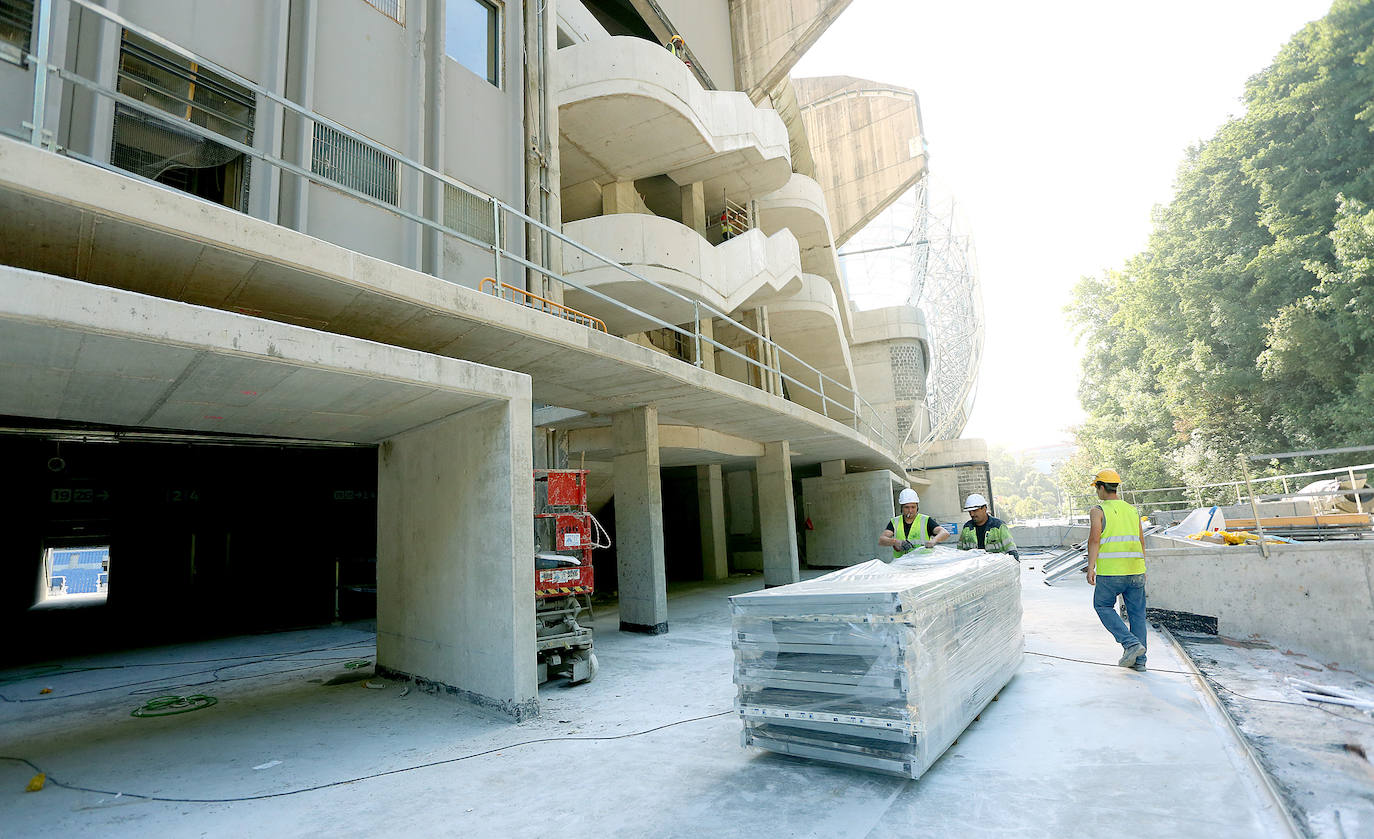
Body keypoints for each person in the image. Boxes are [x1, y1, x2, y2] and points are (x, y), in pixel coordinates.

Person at [1086, 468, 1148, 672]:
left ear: (1102, 487)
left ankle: (1130, 644)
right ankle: (1140, 662)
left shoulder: (1098, 510)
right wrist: (1143, 566)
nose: (1097, 492)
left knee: (1102, 606)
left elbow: (1095, 539)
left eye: (1097, 488)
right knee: (1137, 615)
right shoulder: (1132, 510)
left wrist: (1091, 567)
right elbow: (1141, 540)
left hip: (1112, 571)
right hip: (1135, 569)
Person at [879, 488, 950, 559]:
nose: (910, 510)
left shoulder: (925, 520)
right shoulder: (895, 522)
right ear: (902, 508)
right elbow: (882, 540)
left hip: (923, 563)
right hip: (902, 565)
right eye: (907, 507)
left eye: (913, 507)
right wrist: (895, 542)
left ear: (917, 507)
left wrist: (934, 541)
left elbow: (945, 533)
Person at [956, 493, 1019, 558]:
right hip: (976, 566)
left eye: (974, 511)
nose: (972, 514)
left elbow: (1011, 549)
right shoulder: (967, 528)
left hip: (996, 565)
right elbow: (960, 552)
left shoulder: (998, 526)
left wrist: (1015, 563)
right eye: (969, 511)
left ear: (984, 508)